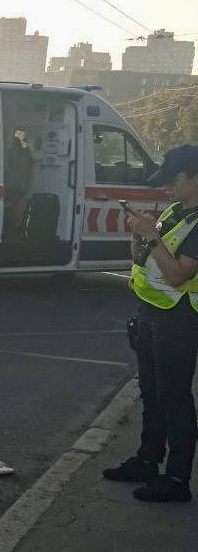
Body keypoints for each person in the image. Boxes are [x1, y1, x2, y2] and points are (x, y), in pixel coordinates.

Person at [102, 144, 198, 503]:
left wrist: (153, 236)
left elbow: (177, 275)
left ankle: (176, 479)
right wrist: (138, 233)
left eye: (173, 180)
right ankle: (147, 459)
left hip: (180, 319)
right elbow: (142, 260)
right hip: (150, 313)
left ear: (194, 177)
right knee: (152, 394)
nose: (167, 189)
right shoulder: (175, 211)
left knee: (175, 398)